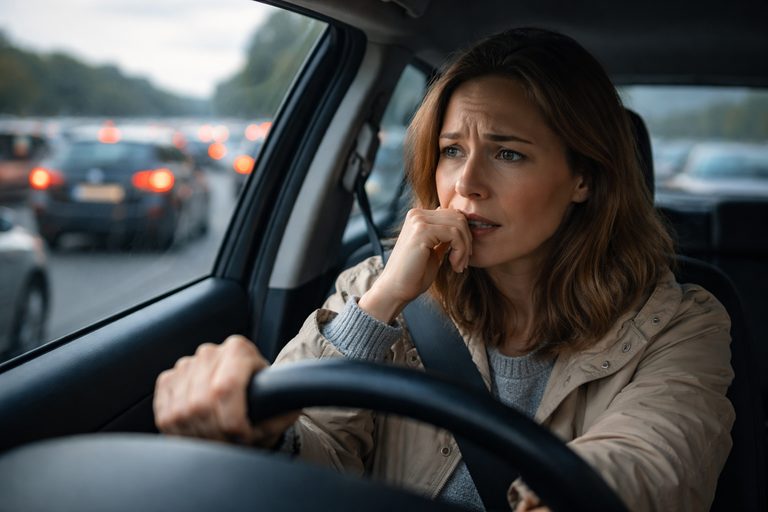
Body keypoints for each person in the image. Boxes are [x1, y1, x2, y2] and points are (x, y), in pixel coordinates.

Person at [153, 27, 734, 511]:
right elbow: (312, 453)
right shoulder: (374, 291)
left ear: (584, 178)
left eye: (509, 153)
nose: (466, 183)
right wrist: (382, 305)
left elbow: (654, 462)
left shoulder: (678, 324)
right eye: (452, 150)